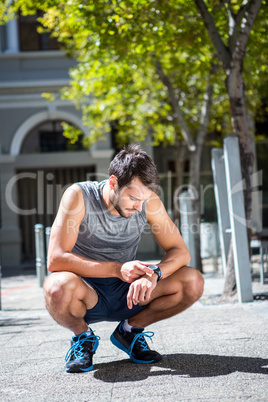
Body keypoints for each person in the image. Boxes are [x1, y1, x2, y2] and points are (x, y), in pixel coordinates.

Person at [44, 144, 204, 373]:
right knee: (55, 287)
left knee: (193, 281)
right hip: (85, 292)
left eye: (144, 199)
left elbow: (180, 251)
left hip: (128, 293)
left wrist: (155, 275)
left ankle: (129, 332)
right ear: (113, 182)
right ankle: (83, 337)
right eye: (133, 198)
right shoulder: (79, 196)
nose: (139, 207)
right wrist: (117, 269)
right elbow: (56, 259)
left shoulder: (149, 203)